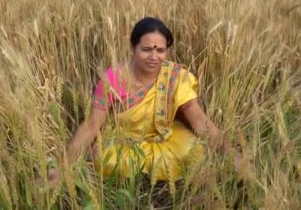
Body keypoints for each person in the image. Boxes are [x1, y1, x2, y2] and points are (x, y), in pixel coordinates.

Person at [49, 17, 231, 184]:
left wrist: (231, 154)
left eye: (160, 50)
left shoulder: (176, 77)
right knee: (109, 161)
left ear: (167, 50)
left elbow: (200, 121)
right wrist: (62, 167)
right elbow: (91, 126)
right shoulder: (112, 79)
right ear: (133, 48)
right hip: (123, 140)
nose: (154, 57)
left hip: (165, 135)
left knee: (192, 151)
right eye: (146, 50)